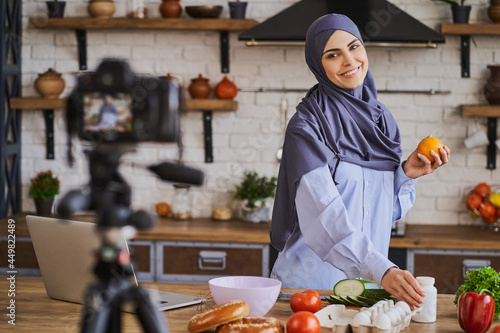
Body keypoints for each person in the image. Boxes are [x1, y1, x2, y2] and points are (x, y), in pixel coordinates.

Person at [270, 13, 450, 309]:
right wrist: (383, 270)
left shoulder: (381, 120)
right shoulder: (307, 127)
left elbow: (377, 214)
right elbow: (326, 218)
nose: (349, 61)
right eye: (333, 54)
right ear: (318, 63)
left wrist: (406, 175)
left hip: (365, 293)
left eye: (354, 47)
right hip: (310, 291)